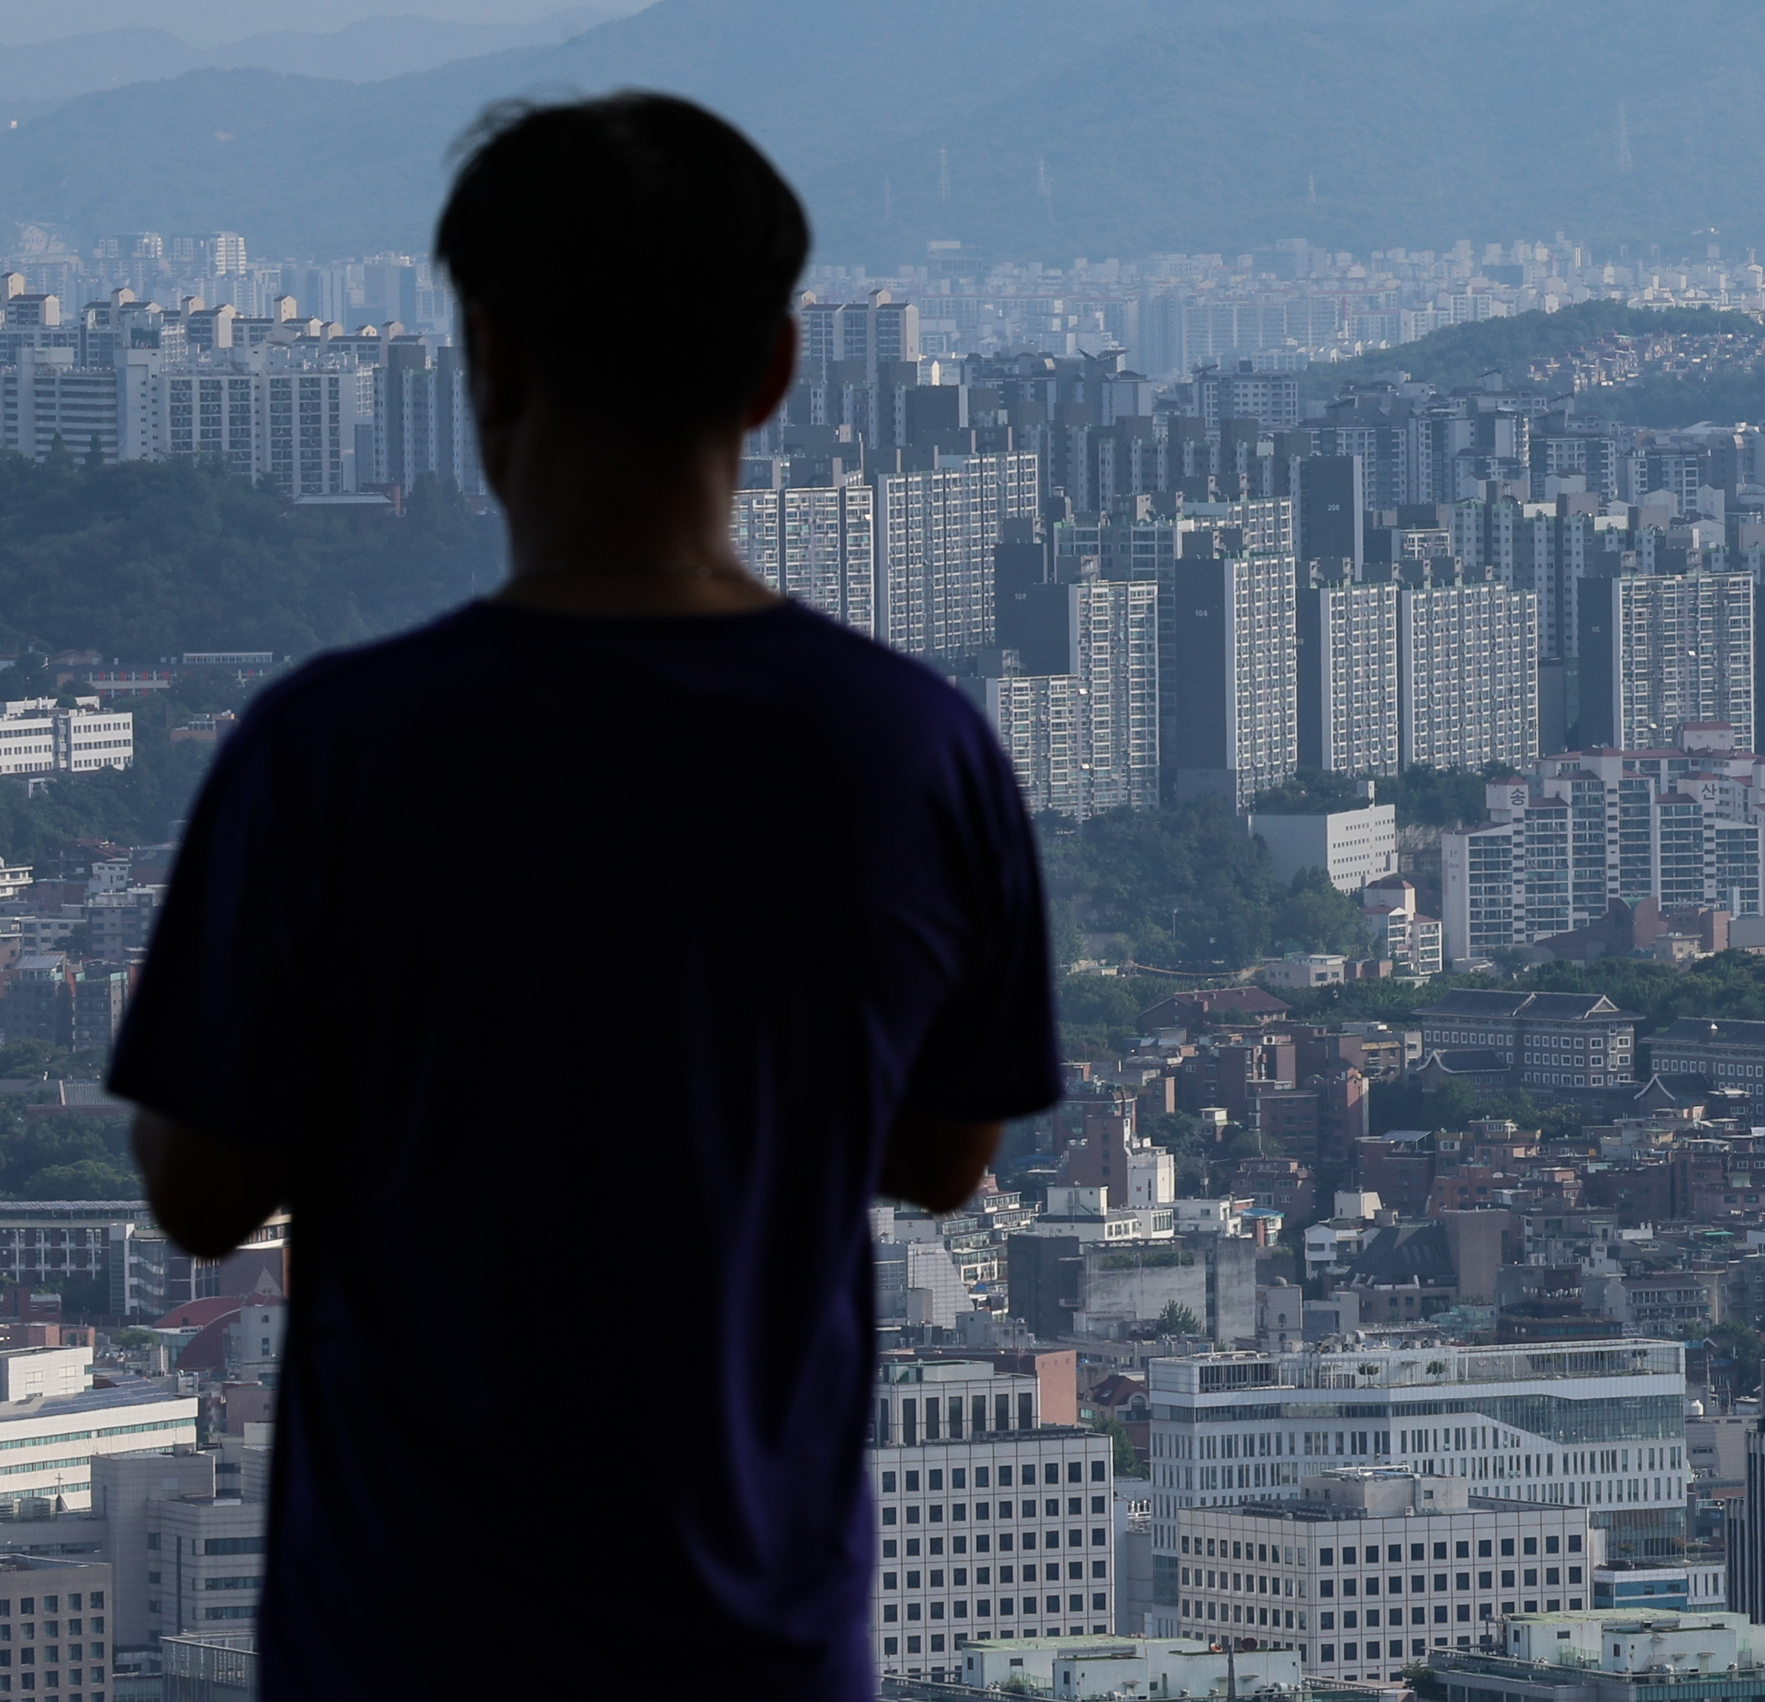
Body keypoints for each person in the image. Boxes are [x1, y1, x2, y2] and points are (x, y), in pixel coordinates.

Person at [109, 93, 1058, 1697]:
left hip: (404, 1641)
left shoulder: (327, 755)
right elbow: (949, 1155)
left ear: (486, 357)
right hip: (753, 1644)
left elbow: (201, 1188)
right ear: (773, 372)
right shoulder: (914, 754)